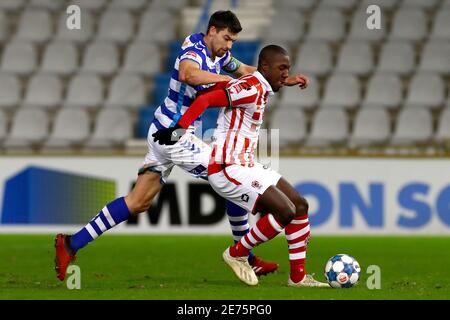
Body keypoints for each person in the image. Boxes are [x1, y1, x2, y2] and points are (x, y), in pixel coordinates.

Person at [55, 10, 310, 281]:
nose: (229, 45)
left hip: (165, 131)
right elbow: (189, 74)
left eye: (233, 41)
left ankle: (71, 243)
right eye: (226, 38)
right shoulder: (194, 48)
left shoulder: (220, 55)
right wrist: (230, 82)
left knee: (138, 201)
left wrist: (282, 80)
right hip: (174, 134)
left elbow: (250, 72)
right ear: (212, 30)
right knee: (230, 172)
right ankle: (245, 257)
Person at [152, 45, 329, 287]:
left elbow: (254, 81)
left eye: (288, 68)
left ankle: (297, 278)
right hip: (227, 168)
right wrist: (178, 130)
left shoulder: (259, 84)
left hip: (247, 164)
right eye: (282, 68)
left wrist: (286, 80)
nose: (286, 73)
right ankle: (237, 253)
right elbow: (205, 99)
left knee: (300, 206)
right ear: (265, 67)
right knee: (284, 212)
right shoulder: (250, 88)